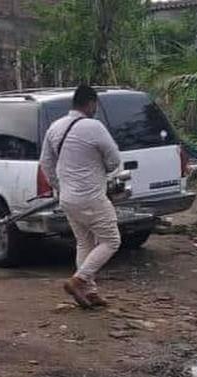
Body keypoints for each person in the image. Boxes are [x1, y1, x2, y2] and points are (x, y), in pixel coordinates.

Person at [40, 85, 122, 308]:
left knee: (85, 243)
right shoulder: (93, 127)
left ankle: (90, 292)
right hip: (91, 196)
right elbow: (114, 159)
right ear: (91, 103)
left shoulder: (55, 127)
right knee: (111, 241)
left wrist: (60, 186)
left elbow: (46, 163)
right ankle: (79, 280)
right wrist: (101, 170)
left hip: (67, 198)